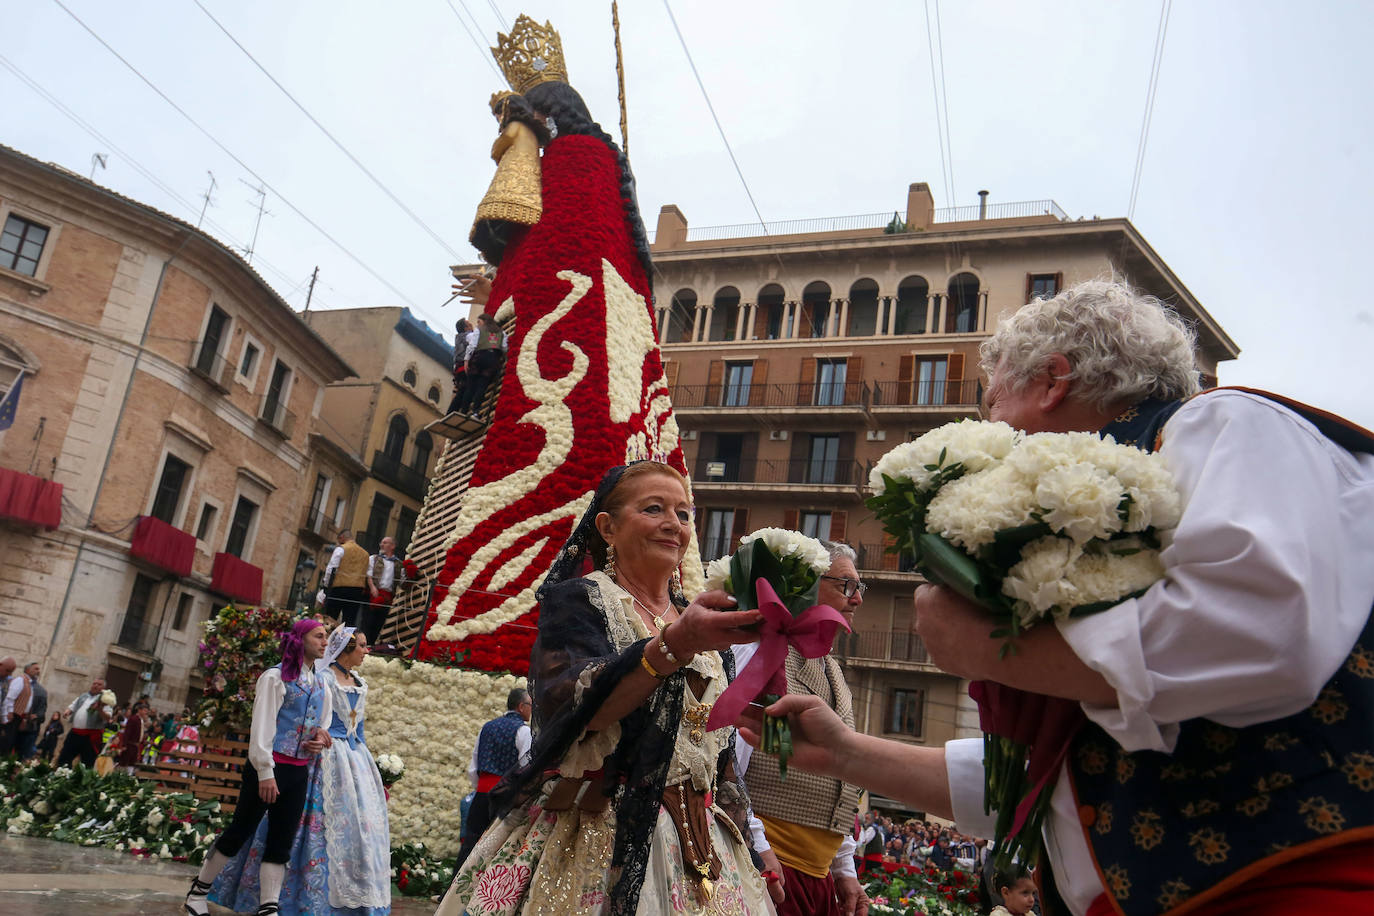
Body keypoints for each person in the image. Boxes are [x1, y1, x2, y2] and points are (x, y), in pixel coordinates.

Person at [739, 280, 1374, 916]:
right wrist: (847, 753)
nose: (990, 430)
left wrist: (988, 648)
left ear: (1052, 382)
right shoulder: (1076, 540)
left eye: (993, 406)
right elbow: (1044, 781)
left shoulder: (1224, 423)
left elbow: (1257, 632)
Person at [437, 461, 773, 915]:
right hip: (596, 834)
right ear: (608, 527)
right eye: (655, 509)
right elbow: (578, 708)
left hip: (704, 846)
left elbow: (719, 760)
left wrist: (753, 846)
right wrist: (673, 645)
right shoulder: (581, 601)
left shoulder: (700, 622)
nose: (674, 524)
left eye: (685, 514)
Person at [212, 625, 391, 916]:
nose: (365, 651)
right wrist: (313, 740)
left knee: (348, 832)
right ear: (345, 647)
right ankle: (269, 898)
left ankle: (277, 905)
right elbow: (300, 722)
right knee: (290, 830)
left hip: (352, 759)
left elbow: (354, 727)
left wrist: (371, 770)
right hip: (313, 761)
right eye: (361, 645)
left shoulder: (356, 681)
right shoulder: (313, 678)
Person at [733, 540, 869, 916]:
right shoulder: (763, 651)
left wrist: (843, 867)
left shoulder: (834, 671)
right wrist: (756, 843)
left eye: (859, 587)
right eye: (846, 585)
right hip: (772, 866)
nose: (856, 599)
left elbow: (838, 782)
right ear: (805, 584)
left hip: (817, 876)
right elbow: (729, 759)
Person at [188, 619, 333, 916]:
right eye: (319, 636)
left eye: (326, 637)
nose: (325, 641)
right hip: (268, 768)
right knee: (239, 831)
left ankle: (268, 907)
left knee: (282, 841)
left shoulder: (321, 683)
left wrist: (320, 737)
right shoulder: (275, 677)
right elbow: (262, 730)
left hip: (297, 771)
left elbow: (323, 724)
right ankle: (197, 894)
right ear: (301, 639)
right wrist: (265, 773)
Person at [454, 687, 533, 870]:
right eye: (531, 705)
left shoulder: (487, 727)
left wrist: (479, 788)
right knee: (497, 846)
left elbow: (474, 766)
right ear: (521, 706)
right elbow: (526, 767)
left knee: (470, 843)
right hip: (505, 797)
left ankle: (450, 893)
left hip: (482, 793)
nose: (532, 709)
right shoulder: (523, 731)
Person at [452, 312, 506, 416]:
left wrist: (467, 361)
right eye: (470, 324)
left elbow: (472, 347)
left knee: (468, 389)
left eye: (477, 322)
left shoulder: (473, 334)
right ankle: (475, 411)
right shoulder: (496, 333)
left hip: (474, 362)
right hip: (488, 361)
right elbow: (503, 347)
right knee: (479, 386)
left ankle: (463, 412)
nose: (473, 325)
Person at [56, 676, 111, 768]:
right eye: (94, 684)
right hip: (75, 733)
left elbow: (107, 717)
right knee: (64, 757)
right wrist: (68, 711)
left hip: (90, 735)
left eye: (99, 684)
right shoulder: (83, 696)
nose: (95, 686)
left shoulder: (105, 700)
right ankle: (63, 775)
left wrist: (99, 709)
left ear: (103, 688)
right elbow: (73, 705)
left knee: (87, 762)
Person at [322, 529, 370, 627]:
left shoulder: (341, 549)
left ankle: (328, 639)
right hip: (356, 591)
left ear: (342, 538)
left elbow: (331, 569)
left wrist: (326, 585)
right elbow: (367, 573)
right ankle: (346, 642)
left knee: (330, 619)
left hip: (339, 589)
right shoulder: (365, 554)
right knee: (349, 622)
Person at [363, 536, 405, 646]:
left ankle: (372, 645)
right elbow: (369, 575)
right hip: (375, 593)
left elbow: (401, 581)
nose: (382, 545)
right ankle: (365, 643)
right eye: (381, 542)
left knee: (380, 622)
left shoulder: (398, 564)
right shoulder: (374, 558)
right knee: (368, 621)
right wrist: (372, 587)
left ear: (392, 546)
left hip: (388, 596)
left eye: (385, 543)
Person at [15, 662, 47, 759]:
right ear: (27, 670)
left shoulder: (42, 691)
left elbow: (42, 711)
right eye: (35, 669)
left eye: (39, 669)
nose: (38, 671)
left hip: (29, 730)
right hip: (14, 725)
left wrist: (36, 716)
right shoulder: (18, 683)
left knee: (23, 756)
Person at [0, 656, 30, 755]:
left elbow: (3, 702)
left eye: (11, 672)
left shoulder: (4, 682)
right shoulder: (19, 680)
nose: (9, 674)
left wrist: (4, 719)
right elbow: (10, 698)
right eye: (7, 670)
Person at [116, 701, 150, 775]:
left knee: (132, 763)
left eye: (146, 711)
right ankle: (120, 776)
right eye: (144, 711)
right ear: (139, 710)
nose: (145, 713)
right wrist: (124, 745)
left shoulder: (141, 720)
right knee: (124, 762)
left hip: (136, 745)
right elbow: (127, 732)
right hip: (129, 744)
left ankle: (129, 776)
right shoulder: (133, 719)